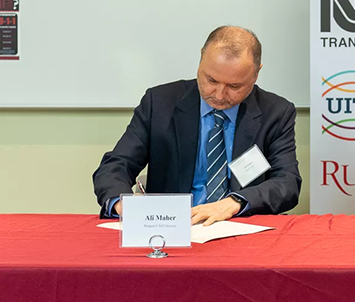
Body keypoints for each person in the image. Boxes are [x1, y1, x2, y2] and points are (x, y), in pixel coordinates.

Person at [93, 26, 301, 225]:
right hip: (172, 228)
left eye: (234, 86)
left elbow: (287, 183)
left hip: (242, 226)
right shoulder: (160, 103)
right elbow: (115, 166)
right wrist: (124, 205)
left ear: (256, 74)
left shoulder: (275, 112)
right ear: (201, 59)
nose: (219, 95)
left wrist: (234, 203)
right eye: (211, 80)